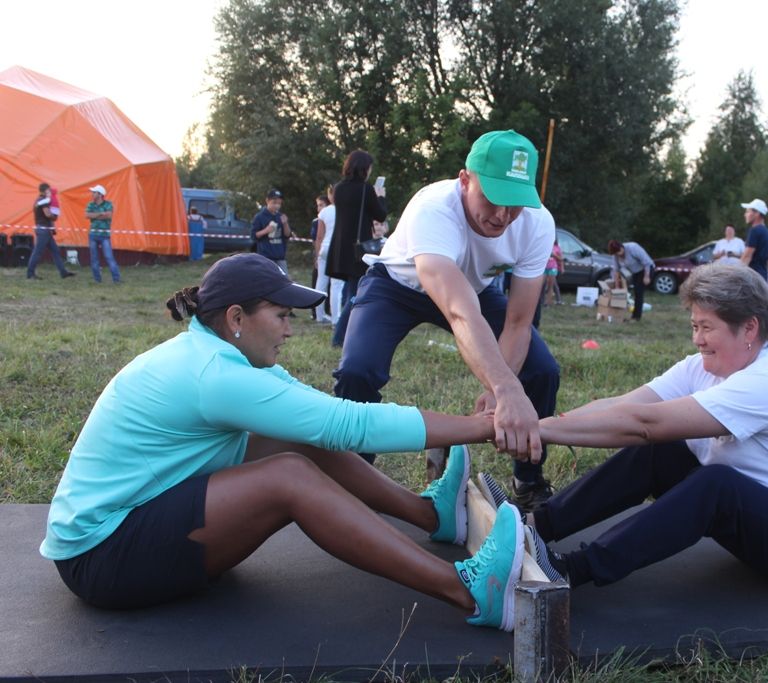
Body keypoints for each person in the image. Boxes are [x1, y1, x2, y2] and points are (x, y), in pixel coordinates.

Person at [39, 253, 525, 631]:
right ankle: (471, 592)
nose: (290, 330)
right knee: (288, 477)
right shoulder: (213, 374)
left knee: (297, 439)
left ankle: (432, 515)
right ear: (236, 318)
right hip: (102, 557)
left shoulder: (220, 355)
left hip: (135, 520)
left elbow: (318, 418)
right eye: (281, 315)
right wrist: (485, 425)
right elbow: (348, 424)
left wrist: (476, 422)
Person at [482, 263, 768, 594]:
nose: (697, 339)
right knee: (664, 452)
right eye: (695, 325)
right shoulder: (703, 367)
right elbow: (624, 405)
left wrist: (537, 431)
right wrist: (538, 424)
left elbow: (646, 424)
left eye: (706, 327)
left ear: (749, 328)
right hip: (767, 522)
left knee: (714, 483)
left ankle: (570, 571)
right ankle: (534, 526)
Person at [332, 130, 560, 511]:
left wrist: (496, 389)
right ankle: (350, 480)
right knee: (358, 370)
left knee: (541, 372)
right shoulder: (434, 208)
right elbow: (459, 311)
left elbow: (519, 323)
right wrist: (505, 387)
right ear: (465, 180)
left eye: (515, 204)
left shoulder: (537, 223)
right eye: (493, 199)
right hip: (399, 285)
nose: (503, 216)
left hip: (476, 289)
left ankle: (528, 480)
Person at [327, 150, 388, 347]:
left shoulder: (338, 189)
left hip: (340, 247)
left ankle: (345, 334)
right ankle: (339, 337)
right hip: (359, 249)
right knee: (355, 295)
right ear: (364, 168)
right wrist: (380, 197)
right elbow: (380, 215)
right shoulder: (366, 190)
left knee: (349, 291)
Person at [26, 182, 74, 280]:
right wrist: (55, 216)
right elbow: (48, 214)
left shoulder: (40, 200)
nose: (50, 193)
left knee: (55, 251)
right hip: (44, 230)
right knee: (37, 252)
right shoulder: (43, 201)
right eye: (48, 191)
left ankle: (63, 272)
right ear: (45, 191)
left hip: (44, 229)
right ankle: (30, 273)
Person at [312, 191, 341, 325]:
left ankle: (319, 315)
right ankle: (336, 319)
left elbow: (319, 236)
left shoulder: (324, 212)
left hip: (325, 247)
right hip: (337, 248)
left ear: (330, 196)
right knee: (336, 285)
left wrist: (317, 255)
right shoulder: (346, 209)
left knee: (321, 282)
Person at [607, 239, 654, 322]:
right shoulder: (615, 256)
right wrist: (617, 286)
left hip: (646, 269)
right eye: (616, 253)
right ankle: (632, 316)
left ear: (622, 247)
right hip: (635, 272)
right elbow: (616, 270)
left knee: (638, 292)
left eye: (619, 252)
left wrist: (647, 277)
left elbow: (647, 262)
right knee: (636, 292)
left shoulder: (633, 247)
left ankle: (636, 318)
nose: (618, 254)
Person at [85, 185, 121, 283]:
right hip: (93, 234)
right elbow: (87, 215)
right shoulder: (90, 204)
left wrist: (95, 216)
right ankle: (97, 280)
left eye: (94, 192)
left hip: (104, 235)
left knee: (109, 257)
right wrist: (101, 214)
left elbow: (108, 215)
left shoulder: (108, 204)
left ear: (100, 194)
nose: (92, 194)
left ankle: (116, 279)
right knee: (94, 258)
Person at [251, 189, 291, 273]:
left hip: (280, 257)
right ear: (267, 201)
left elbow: (287, 235)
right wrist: (266, 230)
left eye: (279, 203)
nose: (277, 206)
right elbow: (254, 235)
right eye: (274, 203)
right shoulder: (260, 217)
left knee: (284, 280)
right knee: (266, 281)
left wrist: (285, 223)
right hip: (266, 257)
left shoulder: (280, 216)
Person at [739, 199, 768, 281]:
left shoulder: (754, 231)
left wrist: (738, 275)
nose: (745, 215)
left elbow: (747, 256)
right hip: (762, 276)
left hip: (752, 276)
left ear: (757, 213)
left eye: (747, 212)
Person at [543, 237, 564, 306]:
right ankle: (542, 301)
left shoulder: (557, 247)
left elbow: (561, 259)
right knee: (543, 285)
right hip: (544, 268)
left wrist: (554, 255)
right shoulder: (545, 245)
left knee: (550, 286)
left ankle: (547, 303)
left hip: (553, 268)